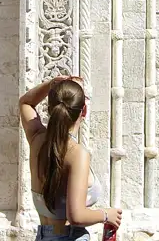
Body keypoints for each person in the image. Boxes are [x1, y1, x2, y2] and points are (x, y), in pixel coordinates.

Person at [19, 76, 122, 241]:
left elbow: (25, 102)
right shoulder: (78, 154)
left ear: (50, 109)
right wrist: (106, 215)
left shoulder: (36, 138)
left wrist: (50, 84)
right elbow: (76, 216)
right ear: (84, 111)